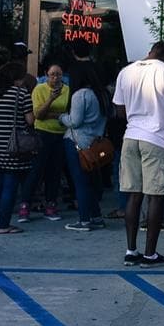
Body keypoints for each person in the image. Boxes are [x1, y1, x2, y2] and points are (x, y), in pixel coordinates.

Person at [114, 41, 164, 268]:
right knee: (156, 196)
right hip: (157, 138)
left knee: (134, 195)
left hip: (131, 137)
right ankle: (150, 254)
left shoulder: (126, 72)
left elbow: (119, 110)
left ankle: (130, 250)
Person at [0, 62, 34, 234]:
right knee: (10, 186)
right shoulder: (20, 93)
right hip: (13, 147)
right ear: (17, 77)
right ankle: (4, 224)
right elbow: (30, 120)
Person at [18, 59, 68, 223]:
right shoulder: (39, 89)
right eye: (52, 74)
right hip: (42, 133)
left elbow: (68, 113)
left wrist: (53, 115)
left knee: (54, 172)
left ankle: (50, 204)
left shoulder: (67, 90)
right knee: (36, 171)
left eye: (58, 74)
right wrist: (51, 100)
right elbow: (38, 114)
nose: (55, 78)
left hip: (60, 134)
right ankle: (25, 205)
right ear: (46, 74)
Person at [60, 62, 108, 231]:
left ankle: (84, 219)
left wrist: (61, 117)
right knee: (90, 181)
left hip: (77, 143)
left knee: (80, 182)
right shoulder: (102, 94)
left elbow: (74, 121)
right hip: (95, 143)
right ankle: (96, 216)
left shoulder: (80, 95)